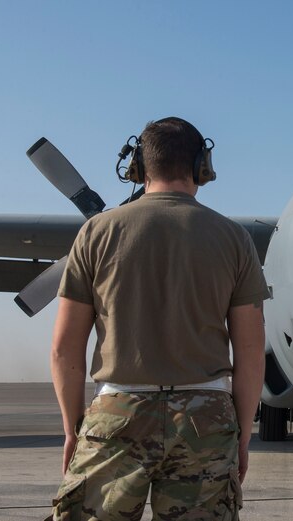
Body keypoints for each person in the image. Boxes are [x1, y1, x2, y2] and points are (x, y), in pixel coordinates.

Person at [48, 117, 268, 520]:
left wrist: (72, 430)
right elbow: (251, 351)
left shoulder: (96, 233)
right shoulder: (235, 239)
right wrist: (241, 433)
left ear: (136, 167)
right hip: (206, 417)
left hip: (116, 413)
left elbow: (65, 348)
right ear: (203, 166)